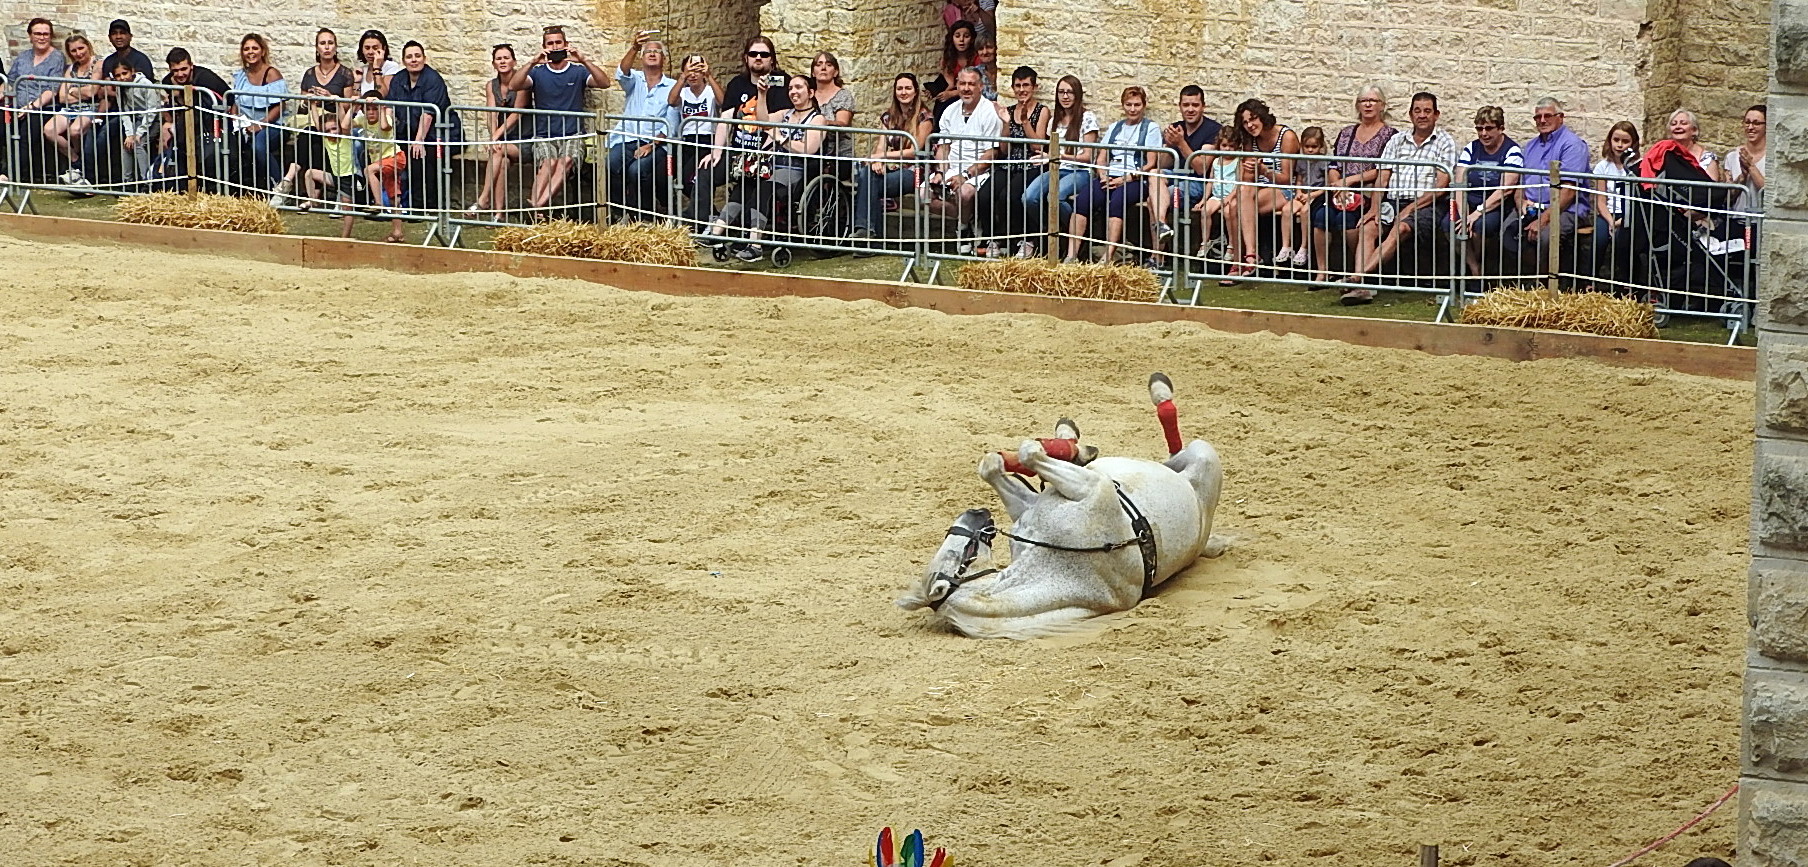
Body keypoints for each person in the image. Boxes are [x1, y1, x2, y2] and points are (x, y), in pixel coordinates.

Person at [697, 73, 826, 262]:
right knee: (745, 184)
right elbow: (763, 121)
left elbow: (808, 149)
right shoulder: (786, 114)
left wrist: (781, 138)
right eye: (790, 88)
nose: (793, 92)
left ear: (811, 92)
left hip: (796, 169)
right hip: (772, 164)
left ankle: (755, 245)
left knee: (764, 188)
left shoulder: (817, 119)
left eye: (799, 87)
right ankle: (716, 233)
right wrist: (762, 93)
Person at [1344, 91, 1456, 302]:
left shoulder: (1445, 142)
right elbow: (1382, 178)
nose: (1422, 115)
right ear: (1410, 115)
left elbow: (1441, 187)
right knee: (1368, 227)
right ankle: (1362, 288)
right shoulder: (1396, 141)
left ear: (1436, 115)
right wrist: (1375, 208)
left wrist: (1410, 208)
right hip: (1393, 201)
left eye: (1427, 111)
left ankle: (1357, 279)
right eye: (1417, 111)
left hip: (1426, 205)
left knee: (1400, 228)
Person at [687, 35, 790, 225]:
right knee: (705, 169)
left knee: (752, 183)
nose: (758, 57)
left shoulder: (782, 82)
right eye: (753, 53)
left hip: (767, 155)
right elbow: (725, 119)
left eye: (764, 54)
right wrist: (716, 151)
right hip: (737, 152)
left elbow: (779, 120)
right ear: (746, 58)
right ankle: (700, 223)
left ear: (772, 59)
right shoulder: (737, 84)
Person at [508, 25, 612, 212]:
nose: (555, 47)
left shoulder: (578, 71)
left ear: (566, 45)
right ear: (544, 46)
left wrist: (584, 60)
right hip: (544, 135)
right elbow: (514, 85)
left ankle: (535, 208)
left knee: (565, 162)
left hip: (572, 134)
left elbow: (604, 83)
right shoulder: (538, 72)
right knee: (548, 164)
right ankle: (537, 209)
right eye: (550, 43)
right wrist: (532, 62)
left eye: (558, 42)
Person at [1311, 84, 1397, 284]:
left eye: (1373, 101)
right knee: (1321, 217)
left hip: (1367, 192)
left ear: (1382, 105)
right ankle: (1322, 271)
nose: (1368, 105)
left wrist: (1348, 181)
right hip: (1340, 192)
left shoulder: (1390, 135)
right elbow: (1334, 164)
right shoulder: (1347, 133)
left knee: (1347, 219)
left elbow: (1381, 169)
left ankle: (1356, 269)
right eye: (1363, 101)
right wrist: (1337, 186)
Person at [1066, 85, 1160, 265]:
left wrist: (1126, 178)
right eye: (1129, 104)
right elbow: (1101, 157)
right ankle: (1072, 255)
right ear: (1123, 106)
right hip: (1110, 175)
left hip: (1135, 178)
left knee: (1117, 201)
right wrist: (1102, 175)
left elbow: (1150, 163)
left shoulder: (1151, 128)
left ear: (1144, 106)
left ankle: (1107, 257)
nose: (1132, 109)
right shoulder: (1115, 127)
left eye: (1137, 105)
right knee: (1083, 200)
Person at [1504, 96, 1593, 273]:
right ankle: (1520, 285)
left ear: (1561, 117)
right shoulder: (1530, 146)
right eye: (1538, 117)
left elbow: (1568, 192)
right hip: (1530, 207)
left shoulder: (1573, 145)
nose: (1542, 120)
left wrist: (1543, 219)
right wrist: (1521, 203)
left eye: (1548, 116)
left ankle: (1545, 288)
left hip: (1566, 209)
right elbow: (1520, 182)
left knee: (1545, 237)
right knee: (1506, 231)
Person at [849, 72, 933, 254]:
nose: (903, 92)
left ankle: (868, 235)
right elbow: (881, 144)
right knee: (867, 175)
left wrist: (884, 157)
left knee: (868, 183)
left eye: (908, 88)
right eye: (900, 88)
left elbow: (915, 150)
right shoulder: (888, 117)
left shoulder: (924, 117)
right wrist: (877, 161)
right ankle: (869, 237)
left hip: (916, 171)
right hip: (892, 168)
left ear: (916, 91)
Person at [272, 28, 355, 207]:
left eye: (330, 43)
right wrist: (311, 101)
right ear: (317, 48)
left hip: (336, 123)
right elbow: (302, 105)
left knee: (310, 135)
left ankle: (288, 180)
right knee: (312, 140)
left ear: (335, 47)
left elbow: (348, 106)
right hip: (315, 122)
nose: (326, 47)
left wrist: (329, 97)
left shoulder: (345, 73)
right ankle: (311, 194)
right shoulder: (310, 74)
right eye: (322, 43)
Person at [926, 66, 1002, 255]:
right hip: (952, 167)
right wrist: (940, 172)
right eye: (962, 83)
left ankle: (962, 229)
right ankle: (968, 219)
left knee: (966, 193)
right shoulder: (949, 111)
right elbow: (944, 147)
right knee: (923, 195)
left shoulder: (989, 112)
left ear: (980, 86)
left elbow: (991, 153)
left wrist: (965, 175)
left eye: (971, 84)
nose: (966, 88)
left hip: (978, 170)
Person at [1020, 74, 1098, 256]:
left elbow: (1088, 157)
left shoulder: (1087, 118)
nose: (1065, 96)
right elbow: (1040, 147)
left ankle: (1075, 235)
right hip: (1057, 168)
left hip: (1080, 171)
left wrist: (1058, 156)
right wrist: (1025, 121)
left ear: (1077, 95)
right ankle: (1051, 234)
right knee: (1028, 197)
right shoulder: (1055, 119)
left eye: (1069, 92)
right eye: (1061, 92)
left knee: (1056, 197)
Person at [1222, 98, 1300, 279]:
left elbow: (1287, 179)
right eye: (1245, 122)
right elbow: (1246, 179)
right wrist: (1250, 172)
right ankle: (1244, 260)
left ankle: (1245, 259)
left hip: (1284, 189)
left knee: (1238, 206)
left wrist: (1264, 170)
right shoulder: (1251, 140)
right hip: (1258, 189)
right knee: (1234, 205)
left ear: (1263, 117)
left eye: (1253, 119)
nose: (1250, 125)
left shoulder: (1286, 137)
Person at [606, 30, 677, 220]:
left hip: (656, 144)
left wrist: (652, 145)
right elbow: (621, 73)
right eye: (648, 51)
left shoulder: (673, 85)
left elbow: (671, 122)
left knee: (637, 170)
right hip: (627, 138)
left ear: (664, 59)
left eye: (657, 51)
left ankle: (644, 216)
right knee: (611, 162)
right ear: (642, 58)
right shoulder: (635, 79)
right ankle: (619, 214)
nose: (652, 53)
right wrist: (635, 47)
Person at [387, 40, 457, 228]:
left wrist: (418, 141)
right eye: (409, 57)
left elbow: (429, 114)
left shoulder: (433, 79)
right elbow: (391, 108)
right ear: (403, 60)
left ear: (424, 58)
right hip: (408, 132)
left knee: (420, 156)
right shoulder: (399, 79)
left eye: (417, 56)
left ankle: (424, 208)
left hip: (439, 133)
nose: (414, 60)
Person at [980, 66, 1046, 258]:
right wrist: (1007, 123)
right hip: (1009, 162)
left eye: (1026, 85)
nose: (1022, 90)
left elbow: (1038, 147)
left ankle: (1025, 240)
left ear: (1034, 87)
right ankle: (993, 238)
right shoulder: (1007, 111)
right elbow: (1004, 149)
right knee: (985, 195)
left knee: (1010, 196)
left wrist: (1025, 122)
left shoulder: (1041, 111)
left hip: (1031, 163)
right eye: (1018, 85)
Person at [1451, 105, 1523, 278]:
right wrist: (1463, 213)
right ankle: (1475, 268)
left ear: (1500, 128)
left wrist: (1477, 213)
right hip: (1469, 203)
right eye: (1479, 129)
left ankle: (1478, 269)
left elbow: (1505, 189)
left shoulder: (1512, 150)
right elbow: (1460, 182)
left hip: (1495, 205)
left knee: (1480, 226)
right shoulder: (1472, 148)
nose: (1484, 133)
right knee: (1450, 224)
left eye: (1489, 128)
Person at [1152, 84, 1221, 245]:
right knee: (1155, 173)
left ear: (1203, 106)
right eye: (1186, 105)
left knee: (1153, 199)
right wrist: (1169, 146)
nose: (1190, 109)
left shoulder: (1213, 130)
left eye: (1195, 105)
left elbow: (1201, 167)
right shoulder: (1176, 127)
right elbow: (1163, 164)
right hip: (1177, 175)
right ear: (1180, 107)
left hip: (1198, 183)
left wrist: (1181, 143)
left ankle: (1158, 257)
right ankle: (1162, 225)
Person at [471, 43, 531, 219]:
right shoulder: (491, 85)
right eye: (499, 59)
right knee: (501, 161)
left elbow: (516, 114)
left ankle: (483, 199)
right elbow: (491, 113)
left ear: (514, 61)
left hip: (524, 139)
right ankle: (499, 214)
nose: (503, 61)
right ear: (493, 63)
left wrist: (495, 138)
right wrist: (493, 137)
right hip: (503, 139)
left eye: (506, 58)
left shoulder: (522, 84)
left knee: (497, 151)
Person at [155, 47, 229, 189]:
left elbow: (229, 97)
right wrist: (168, 122)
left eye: (184, 69)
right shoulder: (169, 80)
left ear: (191, 65)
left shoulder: (206, 78)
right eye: (175, 71)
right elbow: (168, 100)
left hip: (212, 124)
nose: (180, 74)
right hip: (187, 126)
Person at [43, 32, 106, 188]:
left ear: (88, 46)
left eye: (81, 48)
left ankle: (82, 168)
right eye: (74, 51)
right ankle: (75, 160)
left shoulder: (98, 63)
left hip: (91, 108)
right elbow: (62, 97)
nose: (78, 53)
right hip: (70, 108)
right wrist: (80, 92)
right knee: (49, 130)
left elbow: (92, 92)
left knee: (75, 130)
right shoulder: (71, 68)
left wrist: (73, 90)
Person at [7, 19, 66, 182]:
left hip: (42, 108)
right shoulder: (23, 56)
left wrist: (31, 106)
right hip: (16, 106)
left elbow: (52, 89)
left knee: (26, 132)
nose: (42, 37)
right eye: (37, 34)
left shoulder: (57, 58)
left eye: (45, 34)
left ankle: (11, 175)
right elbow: (10, 82)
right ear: (30, 36)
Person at [229, 33, 286, 192]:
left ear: (262, 51)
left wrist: (260, 125)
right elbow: (236, 101)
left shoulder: (272, 74)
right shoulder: (240, 75)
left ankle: (279, 186)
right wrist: (234, 117)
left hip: (272, 124)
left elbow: (280, 106)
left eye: (255, 48)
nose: (250, 52)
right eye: (246, 49)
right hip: (245, 125)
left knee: (259, 146)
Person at [668, 51, 722, 219]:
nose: (693, 75)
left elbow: (723, 102)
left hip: (706, 139)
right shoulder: (683, 92)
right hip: (687, 139)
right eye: (690, 70)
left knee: (700, 179)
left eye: (697, 70)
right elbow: (671, 101)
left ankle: (702, 214)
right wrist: (682, 78)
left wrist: (710, 77)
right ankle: (710, 212)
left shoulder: (710, 91)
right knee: (683, 180)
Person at [1589, 120, 1641, 290]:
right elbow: (1601, 200)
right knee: (1600, 238)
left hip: (1631, 213)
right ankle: (1591, 281)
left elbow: (1639, 198)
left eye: (1625, 141)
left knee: (1623, 240)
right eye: (1616, 140)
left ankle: (1628, 284)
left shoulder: (1638, 167)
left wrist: (1621, 221)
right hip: (1608, 213)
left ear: (1633, 143)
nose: (1620, 145)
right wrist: (1611, 221)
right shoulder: (1603, 167)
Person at [350, 88, 404, 240]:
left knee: (369, 170)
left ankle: (378, 203)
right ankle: (397, 232)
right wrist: (352, 106)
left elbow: (385, 127)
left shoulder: (386, 117)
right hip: (381, 161)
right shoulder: (362, 120)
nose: (371, 112)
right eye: (368, 109)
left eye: (375, 109)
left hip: (395, 157)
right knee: (394, 198)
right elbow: (345, 126)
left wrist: (381, 107)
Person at [1276, 125, 1328, 269]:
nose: (1310, 150)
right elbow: (1299, 179)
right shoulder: (1301, 160)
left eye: (1314, 146)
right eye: (1307, 146)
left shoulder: (1324, 161)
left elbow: (1327, 185)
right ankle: (1286, 246)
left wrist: (1311, 195)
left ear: (1321, 146)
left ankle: (1304, 247)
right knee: (1287, 210)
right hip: (1302, 194)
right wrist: (1299, 192)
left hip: (1317, 195)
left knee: (1305, 212)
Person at [110, 59, 161, 191]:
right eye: (118, 75)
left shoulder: (145, 84)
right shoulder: (120, 89)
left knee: (139, 144)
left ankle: (146, 182)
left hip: (153, 119)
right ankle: (128, 181)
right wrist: (129, 134)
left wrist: (139, 133)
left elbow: (152, 110)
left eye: (124, 73)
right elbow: (124, 112)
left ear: (132, 71)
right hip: (136, 119)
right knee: (127, 145)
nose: (122, 78)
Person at [1192, 124, 1240, 261]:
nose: (1228, 149)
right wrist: (1203, 200)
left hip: (1230, 195)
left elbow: (1239, 183)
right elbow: (1210, 181)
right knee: (1205, 211)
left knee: (1227, 213)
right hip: (1217, 195)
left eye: (1231, 146)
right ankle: (1204, 241)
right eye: (1224, 145)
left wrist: (1230, 197)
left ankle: (1231, 244)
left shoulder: (1238, 161)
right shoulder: (1216, 161)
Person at [809, 52, 856, 180]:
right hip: (812, 152)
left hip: (837, 155)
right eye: (819, 65)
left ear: (835, 72)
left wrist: (821, 122)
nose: (823, 68)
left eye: (828, 65)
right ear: (813, 72)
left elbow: (842, 122)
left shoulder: (843, 95)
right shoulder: (808, 95)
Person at [926, 20, 975, 124]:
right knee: (942, 102)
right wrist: (935, 92)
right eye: (957, 36)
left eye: (966, 36)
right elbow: (950, 84)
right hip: (954, 94)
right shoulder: (948, 59)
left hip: (970, 95)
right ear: (952, 39)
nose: (961, 40)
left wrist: (952, 94)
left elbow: (976, 85)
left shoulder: (976, 58)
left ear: (971, 39)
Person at [1725, 104, 1766, 215]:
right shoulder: (1732, 156)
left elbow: (1769, 194)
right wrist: (1742, 177)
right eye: (1747, 122)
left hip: (1762, 221)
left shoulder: (1773, 158)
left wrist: (1751, 167)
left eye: (1756, 123)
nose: (1750, 127)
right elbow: (1727, 197)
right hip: (1736, 219)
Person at [353, 30, 399, 99]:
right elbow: (356, 99)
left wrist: (376, 68)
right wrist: (357, 82)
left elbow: (382, 95)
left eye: (375, 48)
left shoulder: (391, 67)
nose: (370, 52)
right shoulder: (363, 70)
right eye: (367, 48)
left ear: (384, 49)